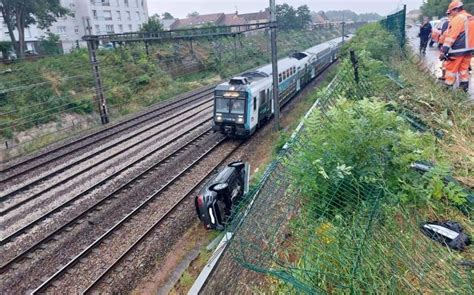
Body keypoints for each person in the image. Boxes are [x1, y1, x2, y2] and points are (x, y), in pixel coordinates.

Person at [440, 1, 474, 91]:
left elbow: (451, 36)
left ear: (456, 9)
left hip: (457, 50)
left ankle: (447, 88)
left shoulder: (458, 19)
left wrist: (444, 51)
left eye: (451, 12)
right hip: (470, 50)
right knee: (464, 69)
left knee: (450, 69)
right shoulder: (470, 17)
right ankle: (464, 88)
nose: (451, 14)